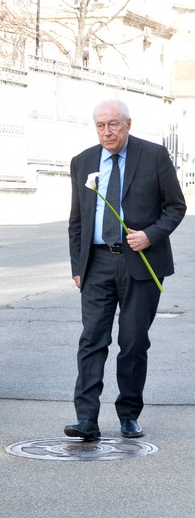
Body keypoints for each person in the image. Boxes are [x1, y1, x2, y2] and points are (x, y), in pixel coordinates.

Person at [64, 98, 186, 440]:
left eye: (113, 125)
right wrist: (78, 265)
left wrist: (151, 235)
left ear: (128, 125)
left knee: (133, 342)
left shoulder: (154, 156)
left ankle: (129, 414)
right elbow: (77, 221)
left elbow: (176, 207)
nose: (107, 132)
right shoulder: (83, 161)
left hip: (141, 264)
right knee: (92, 339)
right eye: (100, 126)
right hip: (97, 263)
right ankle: (86, 419)